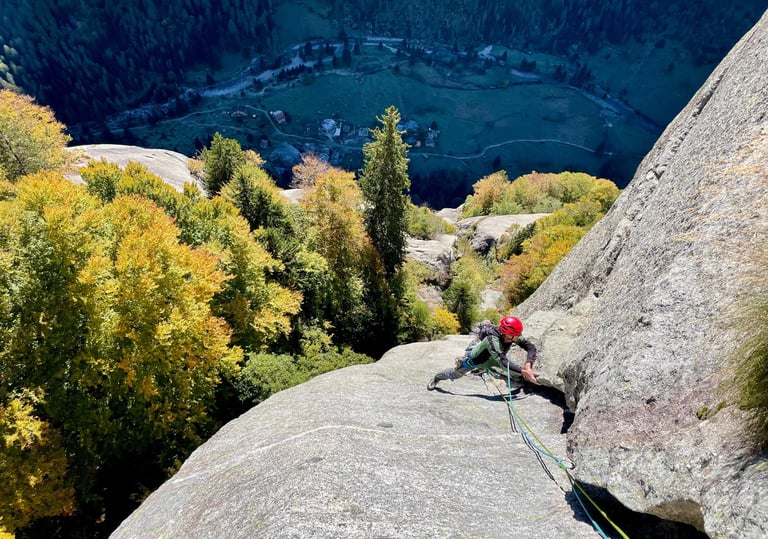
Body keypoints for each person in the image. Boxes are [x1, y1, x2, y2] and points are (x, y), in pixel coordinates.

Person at [427, 315, 539, 390]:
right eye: (516, 335)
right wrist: (524, 371)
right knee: (454, 374)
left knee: (518, 372)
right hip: (475, 360)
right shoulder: (492, 340)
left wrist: (527, 367)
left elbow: (530, 347)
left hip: (494, 360)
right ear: (507, 334)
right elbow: (502, 361)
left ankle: (484, 326)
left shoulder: (511, 335)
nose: (518, 337)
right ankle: (437, 378)